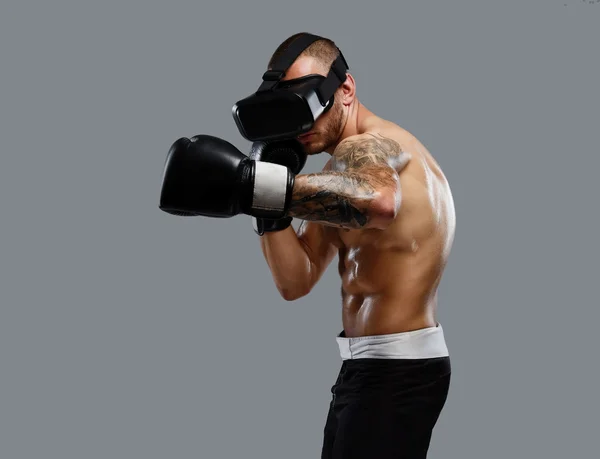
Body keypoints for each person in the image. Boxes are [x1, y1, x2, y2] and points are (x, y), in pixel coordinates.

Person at [254, 33, 456, 459]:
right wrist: (265, 203)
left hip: (396, 371)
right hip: (366, 368)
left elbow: (379, 202)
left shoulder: (373, 147)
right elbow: (297, 278)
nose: (302, 124)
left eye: (308, 103)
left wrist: (257, 185)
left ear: (345, 89)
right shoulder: (337, 175)